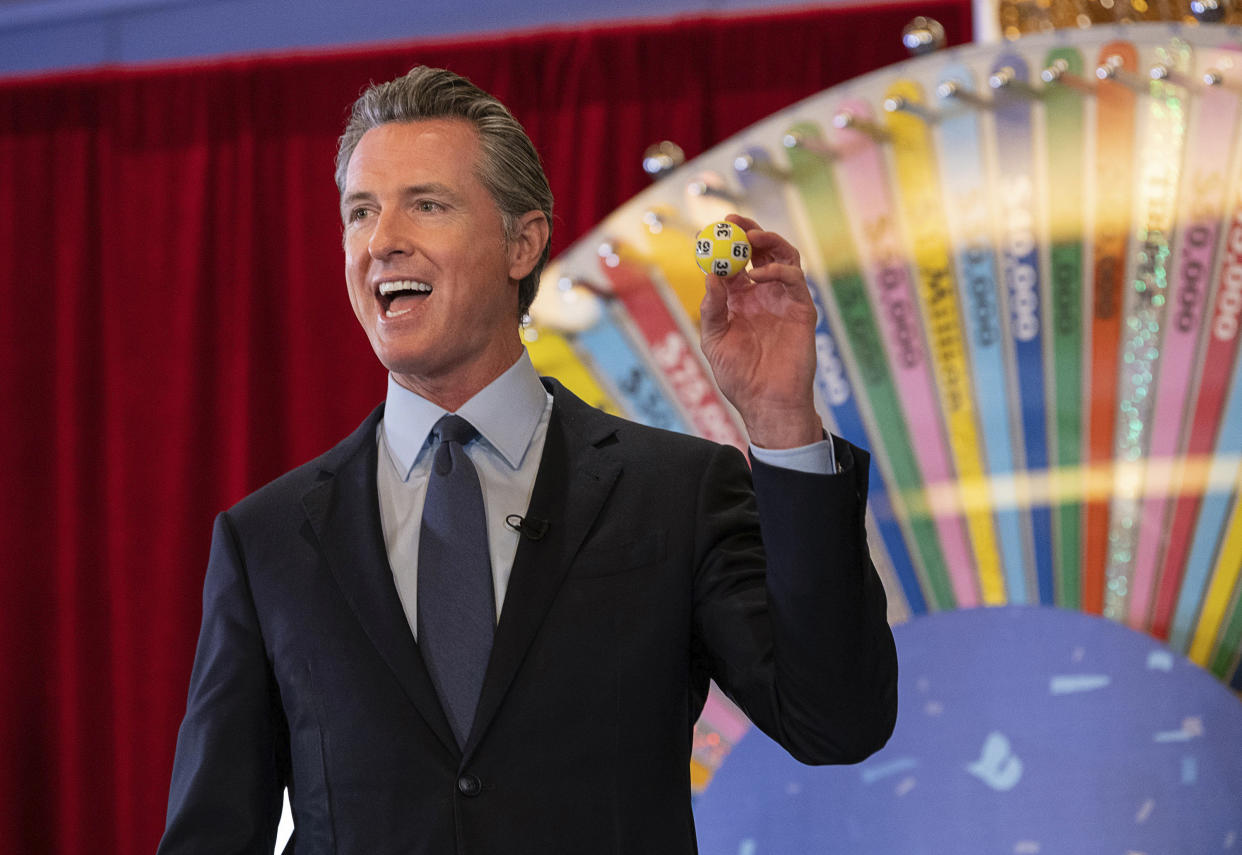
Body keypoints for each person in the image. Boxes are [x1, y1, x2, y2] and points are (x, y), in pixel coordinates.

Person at [157, 66, 897, 854]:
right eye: (360, 212)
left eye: (427, 204)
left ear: (523, 241)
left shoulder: (673, 493)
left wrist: (781, 421)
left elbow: (836, 719)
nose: (381, 241)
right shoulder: (267, 539)